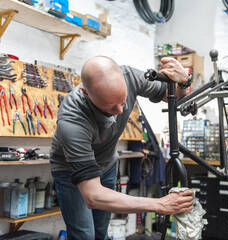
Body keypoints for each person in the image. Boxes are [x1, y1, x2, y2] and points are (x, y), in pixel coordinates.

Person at [50, 56, 194, 240]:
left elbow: (173, 95)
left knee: (101, 231)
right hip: (70, 171)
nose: (120, 111)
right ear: (87, 94)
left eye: (123, 101)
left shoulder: (130, 76)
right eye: (111, 107)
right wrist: (160, 204)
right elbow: (93, 195)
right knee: (84, 235)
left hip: (107, 164)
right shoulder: (72, 119)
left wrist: (183, 81)